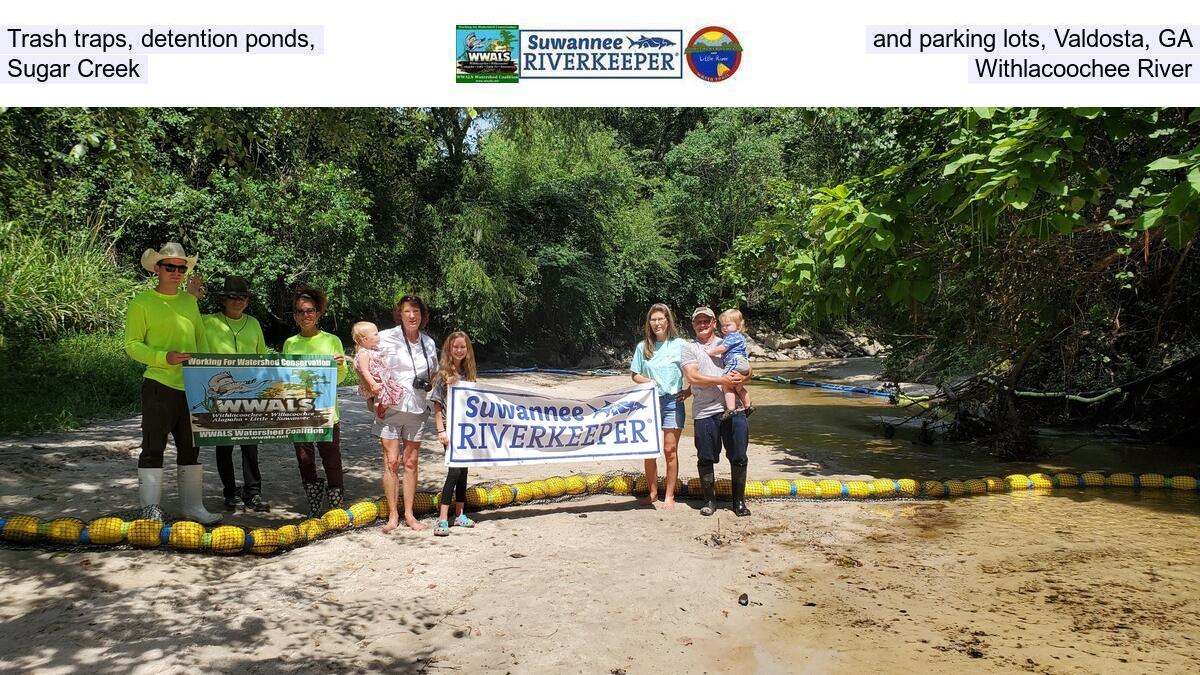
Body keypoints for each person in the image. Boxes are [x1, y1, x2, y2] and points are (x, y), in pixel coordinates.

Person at [123, 242, 221, 524]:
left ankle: (193, 507)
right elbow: (132, 345)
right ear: (157, 269)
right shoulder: (141, 303)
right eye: (170, 267)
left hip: (193, 387)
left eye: (182, 268)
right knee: (153, 447)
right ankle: (150, 509)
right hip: (159, 385)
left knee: (191, 448)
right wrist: (163, 357)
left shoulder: (189, 302)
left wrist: (208, 373)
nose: (177, 272)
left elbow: (201, 340)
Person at [202, 276, 271, 512]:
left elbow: (262, 357)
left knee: (250, 445)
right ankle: (230, 493)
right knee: (224, 445)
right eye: (233, 297)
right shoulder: (207, 322)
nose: (238, 301)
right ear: (223, 300)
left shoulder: (253, 324)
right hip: (219, 394)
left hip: (248, 393)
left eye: (243, 297)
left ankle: (253, 492)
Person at [282, 287, 348, 517]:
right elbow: (285, 378)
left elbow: (340, 378)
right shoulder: (290, 344)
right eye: (301, 311)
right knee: (304, 459)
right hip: (299, 411)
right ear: (295, 316)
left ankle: (336, 505)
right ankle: (314, 503)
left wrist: (339, 365)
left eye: (310, 311)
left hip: (326, 411)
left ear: (318, 314)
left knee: (331, 459)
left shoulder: (332, 340)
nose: (306, 315)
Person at [375, 294, 438, 533]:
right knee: (391, 461)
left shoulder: (428, 343)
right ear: (399, 314)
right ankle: (393, 515)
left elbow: (434, 373)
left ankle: (410, 514)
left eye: (416, 312)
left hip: (417, 406)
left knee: (411, 462)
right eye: (407, 311)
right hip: (389, 406)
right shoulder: (385, 337)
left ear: (423, 316)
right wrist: (372, 388)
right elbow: (362, 357)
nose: (412, 316)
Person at [681, 306, 752, 517]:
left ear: (714, 324)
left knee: (739, 456)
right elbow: (693, 377)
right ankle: (709, 501)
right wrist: (722, 379)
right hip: (704, 410)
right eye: (698, 321)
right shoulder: (689, 348)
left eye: (706, 321)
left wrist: (745, 377)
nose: (702, 324)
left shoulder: (729, 340)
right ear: (693, 325)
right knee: (706, 457)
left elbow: (747, 368)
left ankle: (738, 502)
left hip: (733, 410)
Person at [629, 303, 690, 509]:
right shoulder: (642, 347)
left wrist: (689, 391)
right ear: (649, 323)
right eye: (653, 320)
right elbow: (635, 374)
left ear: (668, 320)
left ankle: (670, 495)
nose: (657, 323)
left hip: (673, 401)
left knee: (670, 449)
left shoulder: (680, 345)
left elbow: (695, 370)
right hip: (649, 403)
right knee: (649, 450)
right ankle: (653, 492)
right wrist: (647, 381)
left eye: (660, 319)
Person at [429, 331, 478, 536]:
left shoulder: (469, 374)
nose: (459, 350)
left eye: (463, 347)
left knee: (464, 470)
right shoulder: (443, 375)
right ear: (449, 349)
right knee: (454, 470)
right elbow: (437, 405)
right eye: (455, 346)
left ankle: (459, 514)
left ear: (468, 350)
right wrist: (441, 430)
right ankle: (442, 518)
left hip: (466, 429)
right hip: (449, 429)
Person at [704, 308, 754, 419]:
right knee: (738, 388)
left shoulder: (732, 337)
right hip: (742, 363)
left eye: (728, 325)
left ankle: (731, 409)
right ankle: (748, 405)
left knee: (725, 384)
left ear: (738, 326)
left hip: (735, 361)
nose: (725, 328)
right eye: (723, 325)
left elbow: (722, 348)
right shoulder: (739, 337)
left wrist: (710, 352)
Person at [351, 321, 403, 418]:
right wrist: (373, 384)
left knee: (394, 391)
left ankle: (380, 407)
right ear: (365, 339)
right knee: (390, 392)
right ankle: (380, 407)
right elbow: (364, 370)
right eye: (376, 334)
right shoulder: (363, 353)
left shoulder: (373, 350)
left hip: (380, 380)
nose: (378, 336)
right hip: (375, 382)